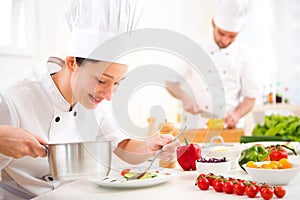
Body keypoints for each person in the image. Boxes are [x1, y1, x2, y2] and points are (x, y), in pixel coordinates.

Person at [0, 0, 178, 198]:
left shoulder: (93, 100)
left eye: (117, 83)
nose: (109, 95)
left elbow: (121, 146)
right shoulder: (15, 99)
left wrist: (150, 146)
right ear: (72, 62)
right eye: (102, 80)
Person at [166, 0, 259, 129]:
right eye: (221, 33)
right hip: (198, 127)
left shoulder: (246, 55)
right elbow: (170, 83)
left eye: (232, 36)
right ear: (213, 23)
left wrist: (236, 115)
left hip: (229, 128)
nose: (225, 40)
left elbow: (250, 98)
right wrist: (184, 97)